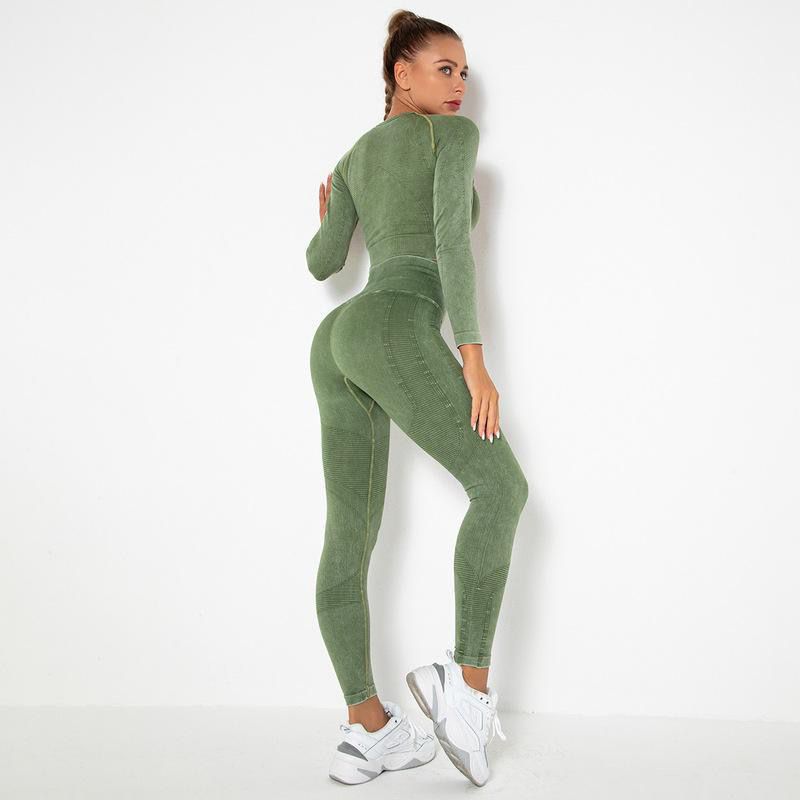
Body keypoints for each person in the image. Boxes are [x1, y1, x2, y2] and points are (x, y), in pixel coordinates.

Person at [306, 10, 529, 787]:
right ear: (402, 75)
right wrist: (474, 359)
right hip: (399, 322)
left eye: (463, 72)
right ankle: (464, 690)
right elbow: (450, 246)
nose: (459, 83)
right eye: (444, 68)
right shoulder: (450, 138)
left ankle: (367, 729)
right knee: (501, 488)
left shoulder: (354, 157)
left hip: (340, 339)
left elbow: (323, 263)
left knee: (349, 537)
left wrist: (329, 211)